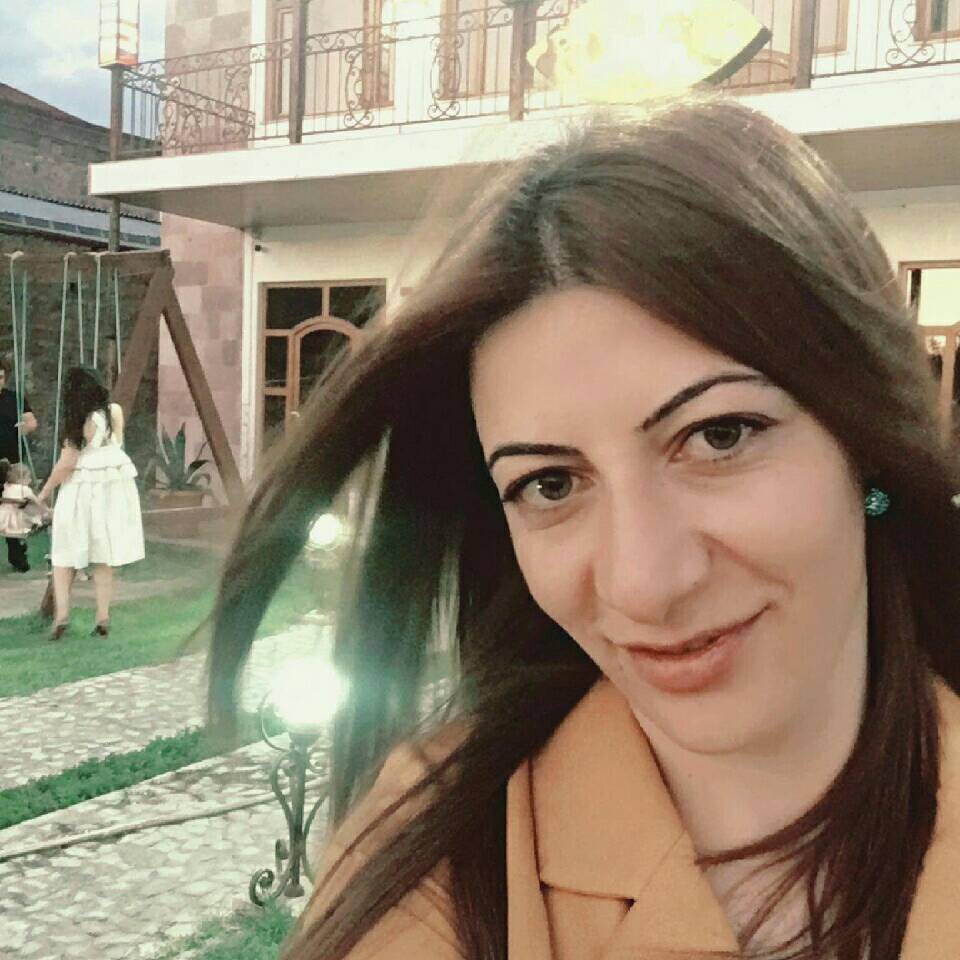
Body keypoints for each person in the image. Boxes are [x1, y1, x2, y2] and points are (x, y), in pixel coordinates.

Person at [208, 94, 960, 960]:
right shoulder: (446, 864)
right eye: (551, 483)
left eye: (719, 435)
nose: (644, 582)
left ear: (864, 439)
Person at [38, 366, 145, 641]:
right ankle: (102, 617)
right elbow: (115, 443)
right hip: (112, 488)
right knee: (103, 553)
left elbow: (67, 463)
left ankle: (62, 615)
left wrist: (44, 492)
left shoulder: (77, 420)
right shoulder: (114, 412)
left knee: (64, 550)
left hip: (81, 488)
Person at [0, 354, 38, 572]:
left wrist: (27, 425)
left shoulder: (14, 398)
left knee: (14, 508)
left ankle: (17, 556)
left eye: (0, 377)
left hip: (12, 463)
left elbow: (31, 420)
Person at [0, 459, 49, 551]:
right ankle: (38, 523)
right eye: (28, 477)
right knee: (34, 509)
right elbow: (38, 502)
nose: (30, 480)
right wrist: (47, 511)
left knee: (23, 507)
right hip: (17, 522)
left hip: (2, 520)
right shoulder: (24, 489)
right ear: (20, 479)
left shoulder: (6, 486)